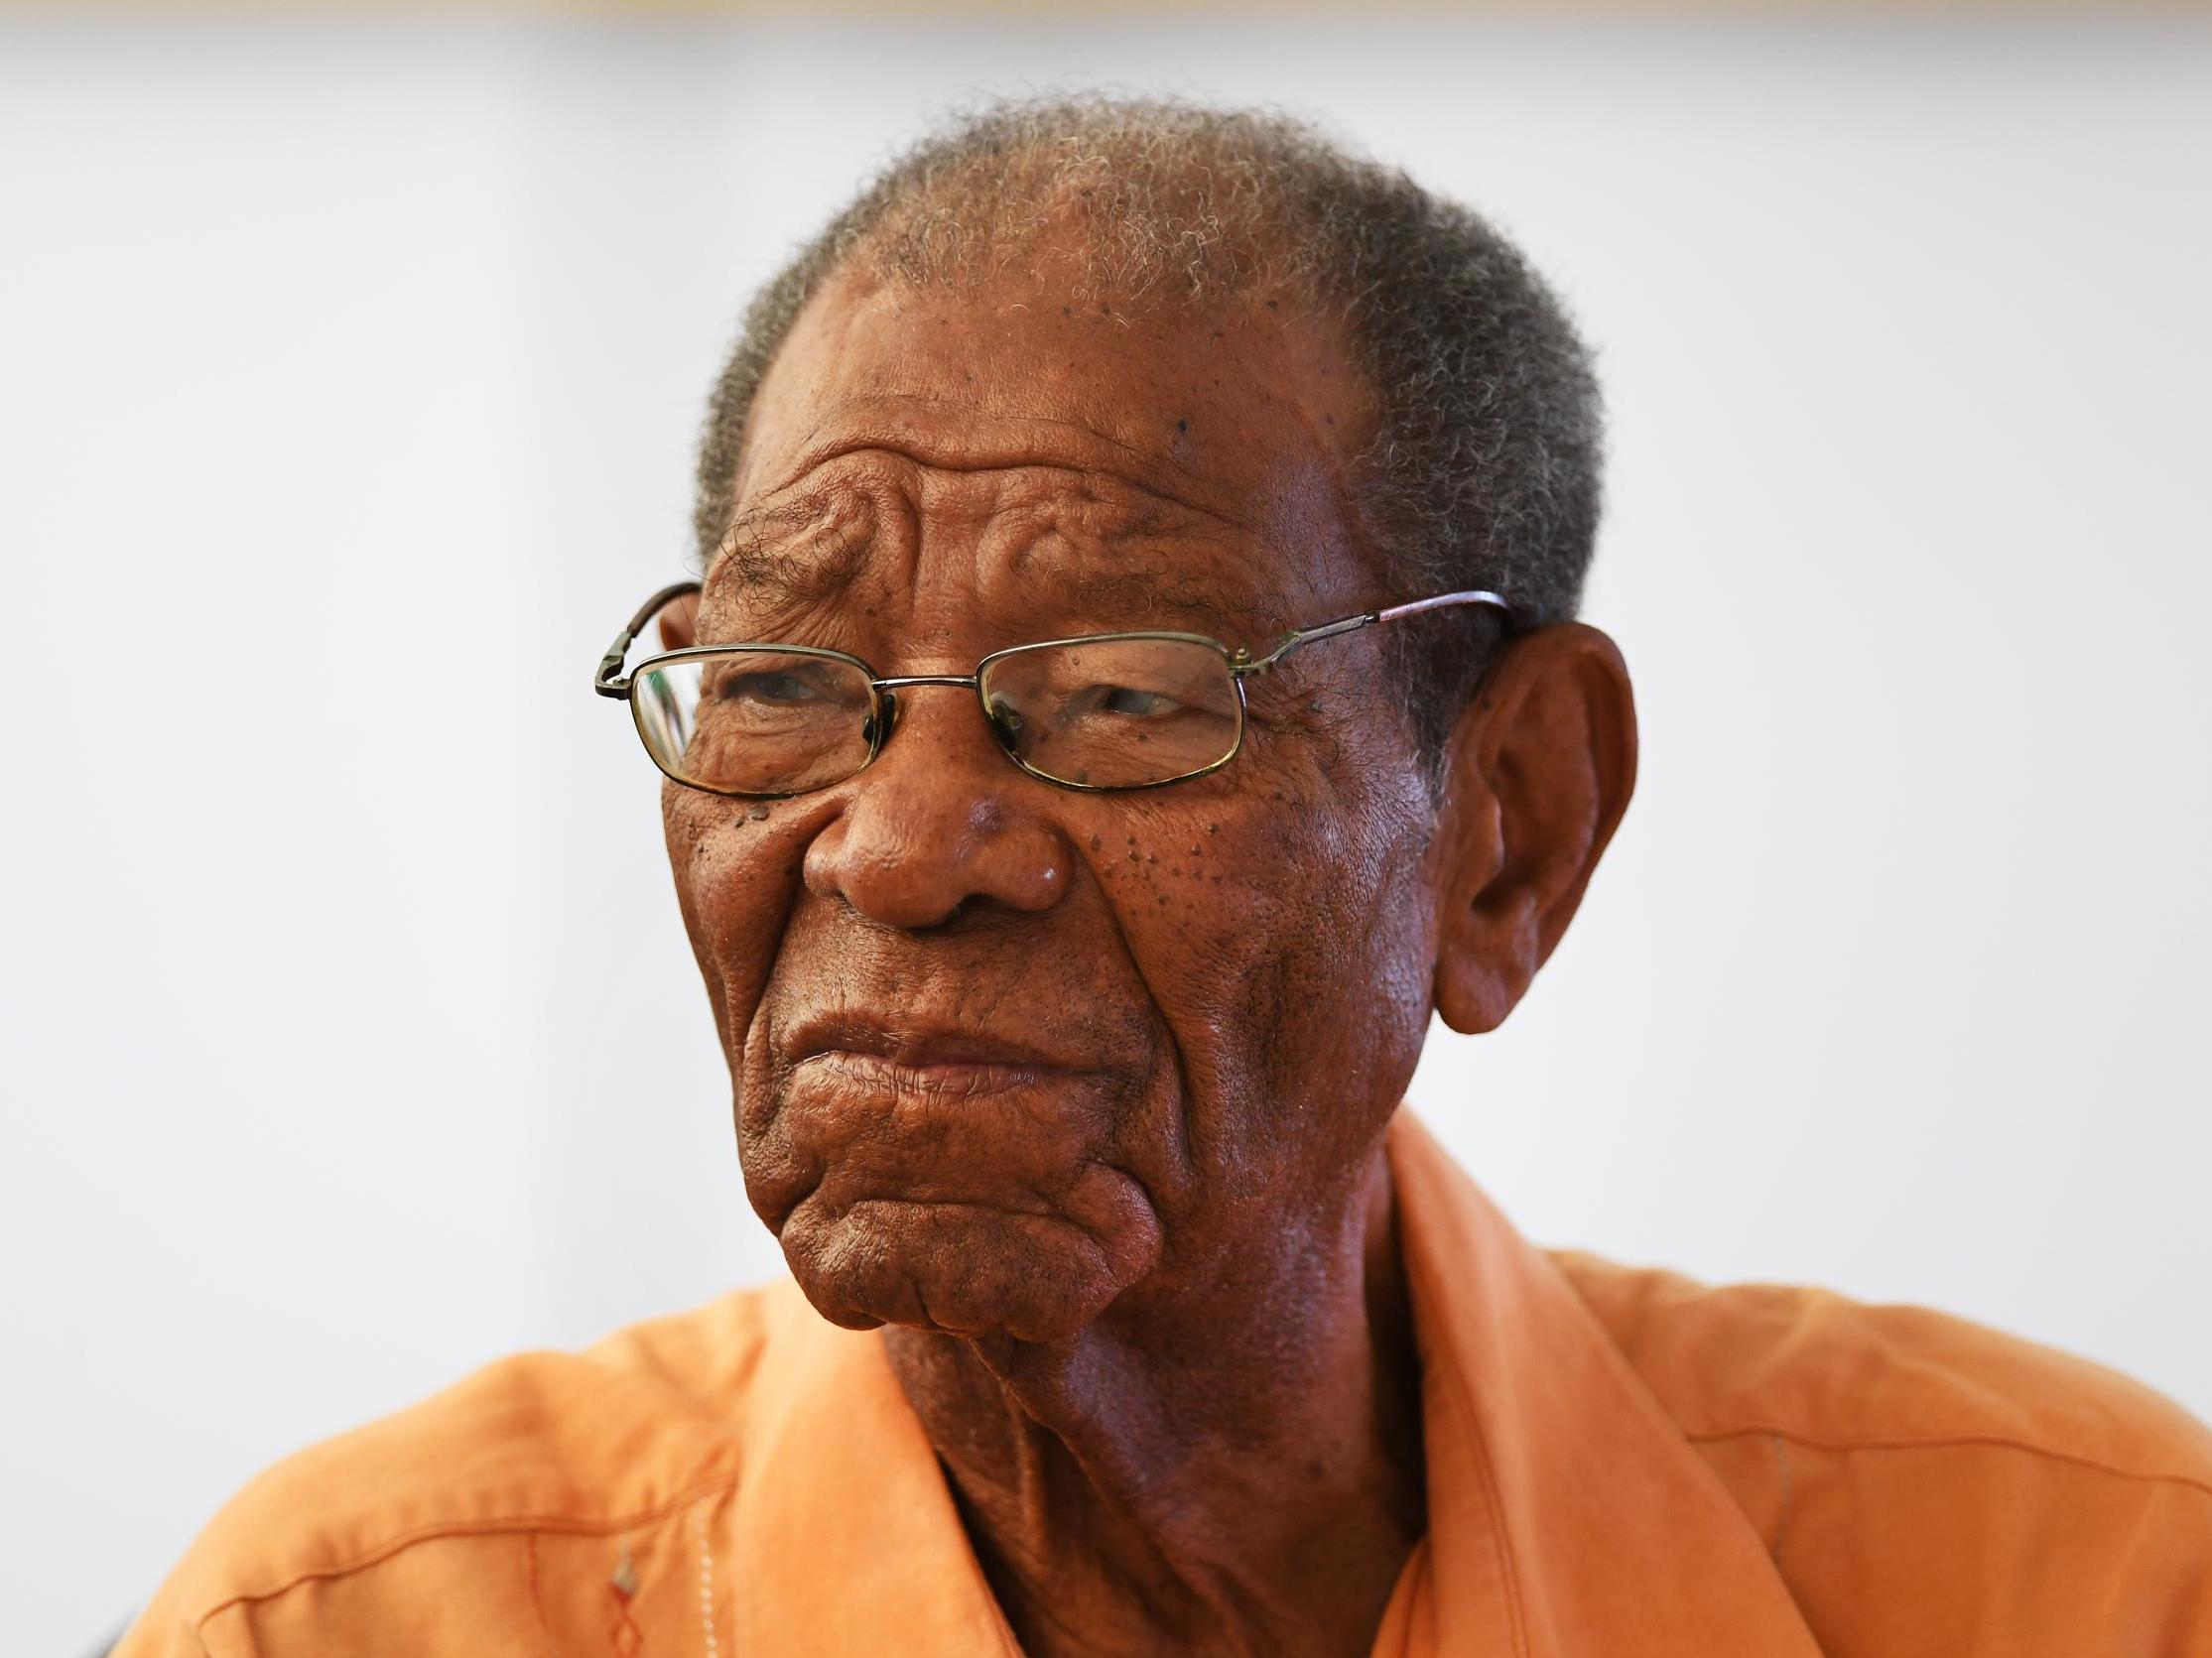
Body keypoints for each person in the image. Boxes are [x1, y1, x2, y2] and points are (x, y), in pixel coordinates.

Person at [116, 97, 2211, 1657]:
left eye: (1121, 690)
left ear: (1505, 831)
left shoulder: (2079, 1584)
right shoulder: (365, 1619)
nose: (899, 838)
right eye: (779, 678)